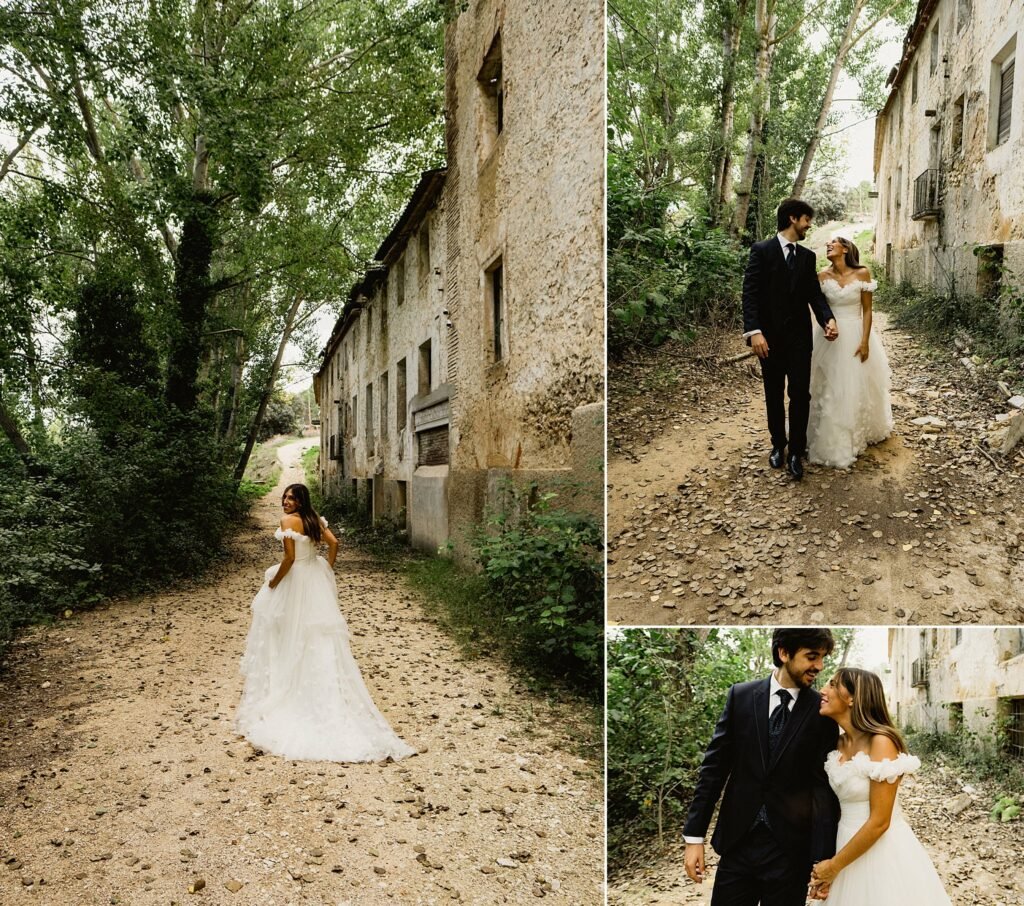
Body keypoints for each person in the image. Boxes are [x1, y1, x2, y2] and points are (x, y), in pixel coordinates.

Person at [235, 483, 414, 762]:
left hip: (295, 579)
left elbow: (289, 559)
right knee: (315, 632)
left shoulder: (287, 522)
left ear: (300, 501)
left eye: (291, 498)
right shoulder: (314, 519)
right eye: (285, 497)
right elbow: (334, 543)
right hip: (314, 577)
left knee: (288, 629)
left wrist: (274, 582)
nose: (285, 502)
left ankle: (289, 683)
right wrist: (326, 567)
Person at [682, 628, 840, 906]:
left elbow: (822, 789)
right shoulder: (740, 696)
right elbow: (714, 770)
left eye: (823, 658)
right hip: (737, 844)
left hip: (791, 853)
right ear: (784, 653)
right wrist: (694, 837)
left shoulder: (822, 712)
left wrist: (822, 856)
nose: (819, 666)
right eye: (812, 656)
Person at [810, 668, 951, 904]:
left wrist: (833, 866)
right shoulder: (837, 742)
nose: (823, 690)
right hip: (845, 843)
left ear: (853, 698)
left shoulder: (881, 742)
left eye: (833, 685)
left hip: (881, 850)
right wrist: (828, 869)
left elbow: (879, 822)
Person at [742, 198, 839, 481]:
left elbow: (813, 294)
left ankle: (796, 451)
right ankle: (778, 445)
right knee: (773, 393)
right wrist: (754, 332)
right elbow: (750, 293)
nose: (809, 225)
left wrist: (828, 319)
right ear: (793, 218)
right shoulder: (761, 250)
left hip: (799, 339)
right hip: (768, 339)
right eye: (807, 220)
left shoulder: (807, 257)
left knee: (800, 394)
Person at [807, 237, 894, 468]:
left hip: (855, 333)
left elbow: (867, 310)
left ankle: (859, 431)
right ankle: (831, 437)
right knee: (829, 384)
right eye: (828, 243)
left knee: (855, 383)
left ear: (845, 249)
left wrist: (865, 341)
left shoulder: (862, 273)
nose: (828, 245)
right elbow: (818, 307)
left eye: (833, 242)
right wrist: (825, 325)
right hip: (829, 335)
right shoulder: (822, 276)